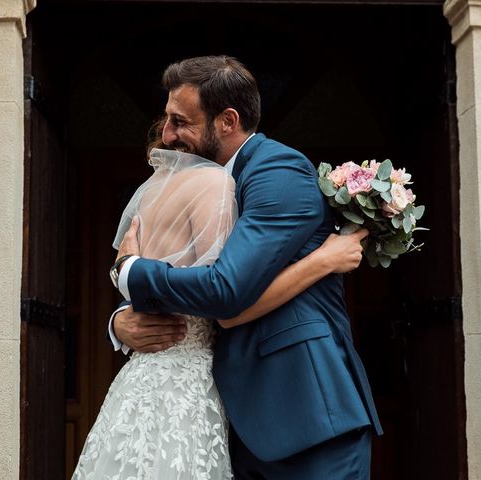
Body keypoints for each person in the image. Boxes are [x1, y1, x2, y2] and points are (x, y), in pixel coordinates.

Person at [110, 56, 382, 479]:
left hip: (304, 412)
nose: (167, 134)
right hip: (230, 420)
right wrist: (122, 318)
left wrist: (131, 271)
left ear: (227, 120)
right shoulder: (196, 186)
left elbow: (226, 292)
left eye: (181, 122)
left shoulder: (279, 170)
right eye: (167, 120)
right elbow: (186, 273)